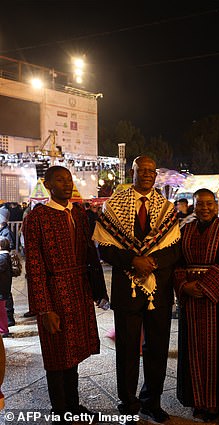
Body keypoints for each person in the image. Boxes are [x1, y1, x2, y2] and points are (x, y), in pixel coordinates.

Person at [93, 156, 181, 424]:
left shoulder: (167, 209)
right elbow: (103, 246)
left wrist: (151, 263)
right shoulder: (113, 206)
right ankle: (127, 401)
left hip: (159, 291)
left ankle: (151, 402)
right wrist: (133, 260)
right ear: (131, 172)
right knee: (127, 350)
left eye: (151, 171)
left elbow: (174, 248)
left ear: (156, 175)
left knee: (157, 348)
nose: (146, 175)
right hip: (126, 290)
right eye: (141, 170)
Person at [23, 165, 108, 423]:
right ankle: (60, 411)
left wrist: (96, 290)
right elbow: (34, 266)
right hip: (54, 292)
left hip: (79, 290)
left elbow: (91, 254)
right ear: (48, 185)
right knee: (56, 353)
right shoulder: (37, 218)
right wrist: (44, 308)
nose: (66, 183)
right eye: (59, 180)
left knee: (74, 353)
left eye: (69, 179)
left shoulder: (79, 213)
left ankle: (73, 405)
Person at [173, 188, 219, 421]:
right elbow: (179, 261)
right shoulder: (186, 229)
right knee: (193, 349)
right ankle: (197, 399)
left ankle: (215, 401)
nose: (205, 208)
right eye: (200, 204)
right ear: (194, 205)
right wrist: (184, 286)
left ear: (216, 205)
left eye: (209, 204)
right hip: (191, 299)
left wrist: (203, 288)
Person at [0, 209, 14, 327]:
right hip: (4, 281)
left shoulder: (6, 233)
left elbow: (9, 244)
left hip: (4, 282)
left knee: (6, 298)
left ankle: (9, 319)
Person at [0, 238, 12, 337]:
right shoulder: (4, 256)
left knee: (1, 310)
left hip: (1, 288)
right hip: (3, 288)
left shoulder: (3, 258)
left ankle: (3, 329)